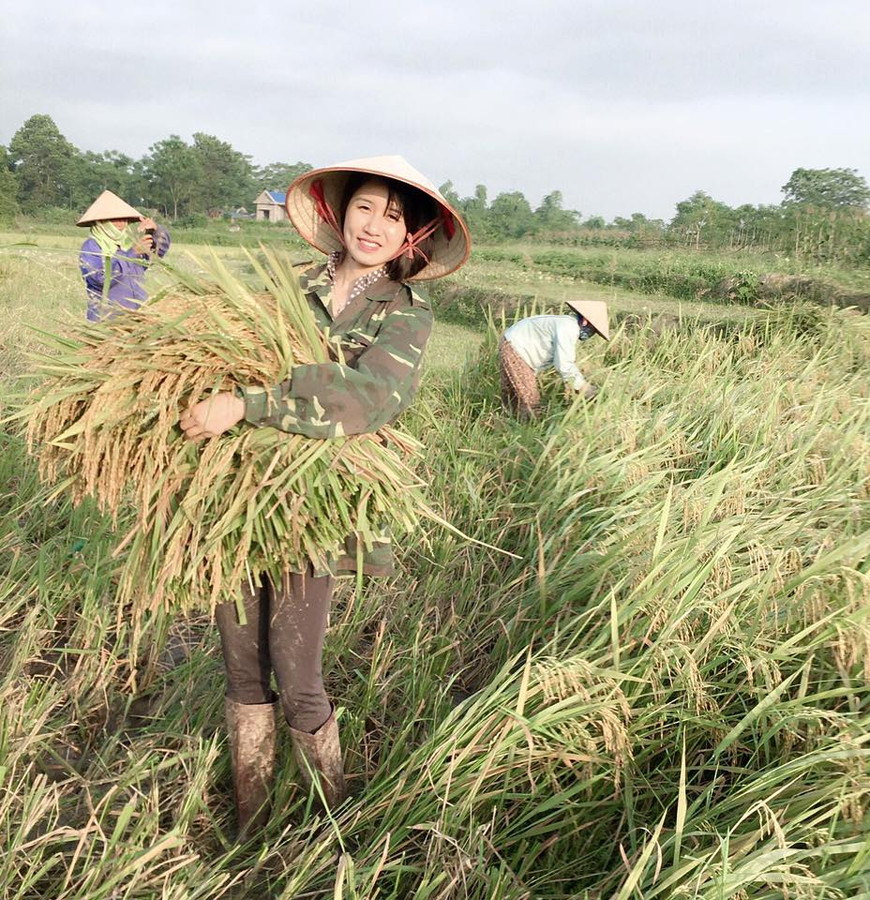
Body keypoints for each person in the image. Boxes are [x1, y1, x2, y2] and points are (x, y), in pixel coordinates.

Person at [177, 156, 470, 837]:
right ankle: (253, 820)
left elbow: (366, 400)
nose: (374, 226)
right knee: (241, 666)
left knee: (296, 672)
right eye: (365, 207)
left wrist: (250, 404)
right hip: (239, 497)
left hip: (315, 511)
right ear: (341, 213)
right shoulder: (287, 286)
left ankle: (326, 827)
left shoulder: (405, 314)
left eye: (393, 217)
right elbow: (227, 356)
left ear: (412, 237)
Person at [499, 300, 610, 419]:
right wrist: (583, 387)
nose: (591, 334)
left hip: (512, 344)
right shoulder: (569, 327)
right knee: (531, 400)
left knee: (514, 397)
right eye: (592, 329)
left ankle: (506, 422)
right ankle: (530, 426)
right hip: (516, 348)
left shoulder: (566, 323)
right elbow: (564, 364)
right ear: (585, 321)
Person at [76, 189, 170, 321]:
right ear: (101, 221)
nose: (120, 223)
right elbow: (100, 279)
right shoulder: (92, 246)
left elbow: (155, 254)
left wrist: (155, 231)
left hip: (137, 316)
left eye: (123, 218)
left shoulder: (129, 242)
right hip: (107, 319)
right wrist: (131, 254)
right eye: (114, 219)